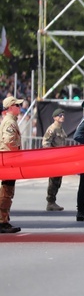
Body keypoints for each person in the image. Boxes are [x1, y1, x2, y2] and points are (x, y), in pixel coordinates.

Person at [0, 96, 23, 233]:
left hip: (9, 160)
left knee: (7, 191)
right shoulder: (10, 122)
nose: (19, 108)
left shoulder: (11, 121)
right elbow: (8, 141)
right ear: (10, 107)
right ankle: (2, 222)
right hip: (9, 160)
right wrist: (17, 153)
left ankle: (4, 219)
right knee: (6, 192)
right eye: (17, 105)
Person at [42, 108, 68, 211]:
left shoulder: (61, 128)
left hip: (60, 159)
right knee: (53, 180)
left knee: (58, 181)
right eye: (60, 115)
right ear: (55, 118)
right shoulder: (52, 129)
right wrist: (51, 155)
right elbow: (45, 143)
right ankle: (50, 202)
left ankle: (53, 201)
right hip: (54, 158)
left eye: (63, 115)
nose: (62, 117)